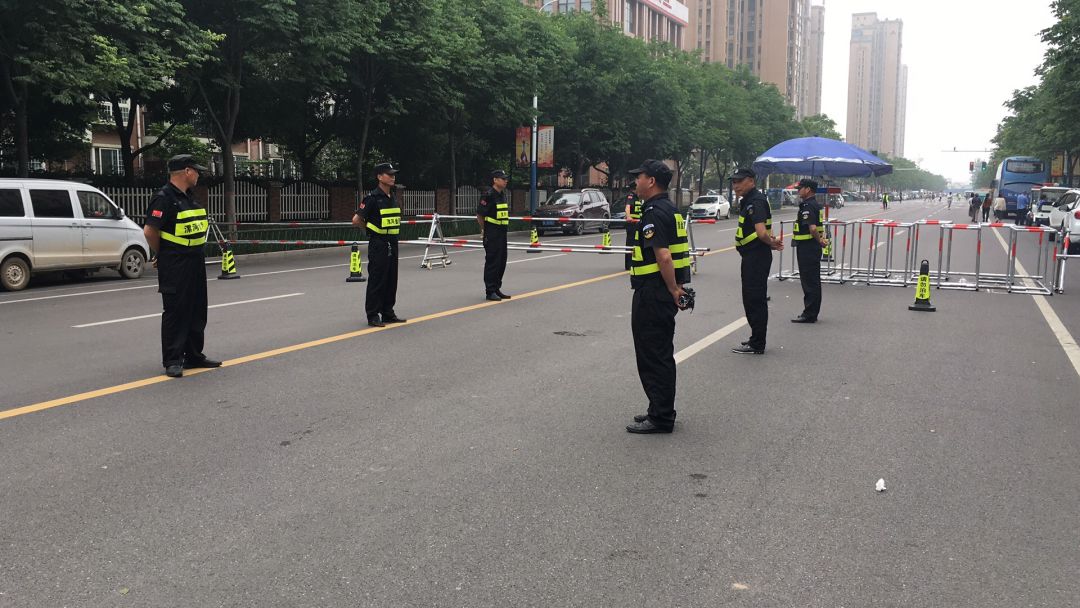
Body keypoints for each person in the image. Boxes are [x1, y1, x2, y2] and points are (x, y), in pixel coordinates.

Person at [624, 159, 690, 434]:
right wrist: (676, 288)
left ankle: (661, 417)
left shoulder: (653, 212)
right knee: (659, 352)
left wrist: (673, 289)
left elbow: (663, 256)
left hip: (653, 292)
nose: (635, 182)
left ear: (651, 181)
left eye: (638, 177)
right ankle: (659, 408)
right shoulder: (670, 209)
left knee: (653, 355)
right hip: (659, 292)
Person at [142, 155, 221, 378]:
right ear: (187, 171)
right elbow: (149, 231)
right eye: (196, 171)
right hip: (175, 262)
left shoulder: (189, 197)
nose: (198, 175)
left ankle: (194, 355)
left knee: (197, 309)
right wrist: (162, 253)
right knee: (176, 311)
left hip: (195, 260)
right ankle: (173, 360)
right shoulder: (163, 198)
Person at [731, 168, 784, 354]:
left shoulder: (756, 201)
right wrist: (771, 242)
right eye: (734, 181)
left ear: (751, 181)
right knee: (752, 298)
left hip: (756, 257)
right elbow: (762, 232)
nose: (735, 185)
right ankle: (756, 339)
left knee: (754, 299)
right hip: (753, 255)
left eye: (739, 181)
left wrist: (771, 243)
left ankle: (757, 343)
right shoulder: (751, 200)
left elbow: (761, 232)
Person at [354, 163, 406, 327]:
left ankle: (388, 313)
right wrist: (370, 232)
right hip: (379, 243)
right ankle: (373, 315)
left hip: (392, 242)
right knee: (377, 279)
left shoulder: (393, 197)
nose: (392, 177)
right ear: (379, 177)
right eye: (389, 174)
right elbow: (356, 220)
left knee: (391, 279)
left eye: (393, 174)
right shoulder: (372, 198)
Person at [792, 178, 829, 323]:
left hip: (807, 247)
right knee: (813, 280)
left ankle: (810, 313)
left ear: (808, 189)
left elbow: (812, 228)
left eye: (800, 188)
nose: (798, 191)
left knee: (809, 281)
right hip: (811, 247)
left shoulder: (808, 205)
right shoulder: (815, 205)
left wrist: (819, 241)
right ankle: (812, 312)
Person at [477, 169, 511, 301]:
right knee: (493, 262)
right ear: (495, 180)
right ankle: (490, 291)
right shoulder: (488, 195)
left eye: (506, 179)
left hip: (502, 233)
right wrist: (484, 230)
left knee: (501, 261)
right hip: (492, 233)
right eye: (503, 179)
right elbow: (480, 215)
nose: (505, 181)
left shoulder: (502, 194)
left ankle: (496, 288)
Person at [623, 188, 643, 271]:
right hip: (632, 224)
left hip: (638, 223)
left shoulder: (639, 197)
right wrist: (628, 216)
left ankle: (636, 261)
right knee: (630, 243)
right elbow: (627, 207)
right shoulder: (631, 196)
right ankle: (628, 264)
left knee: (637, 243)